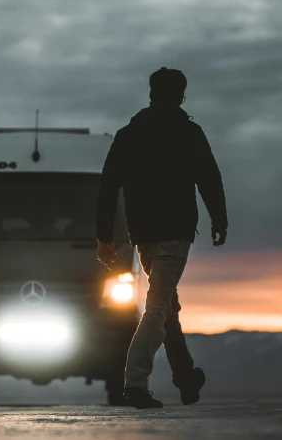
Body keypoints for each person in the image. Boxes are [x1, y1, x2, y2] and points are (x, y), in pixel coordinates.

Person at [95, 67, 228, 409]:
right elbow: (209, 179)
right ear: (181, 95)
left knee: (167, 306)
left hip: (143, 236)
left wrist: (104, 236)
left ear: (152, 93)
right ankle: (135, 384)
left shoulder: (129, 135)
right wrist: (219, 220)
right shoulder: (189, 133)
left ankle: (185, 377)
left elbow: (109, 185)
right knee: (157, 310)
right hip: (175, 234)